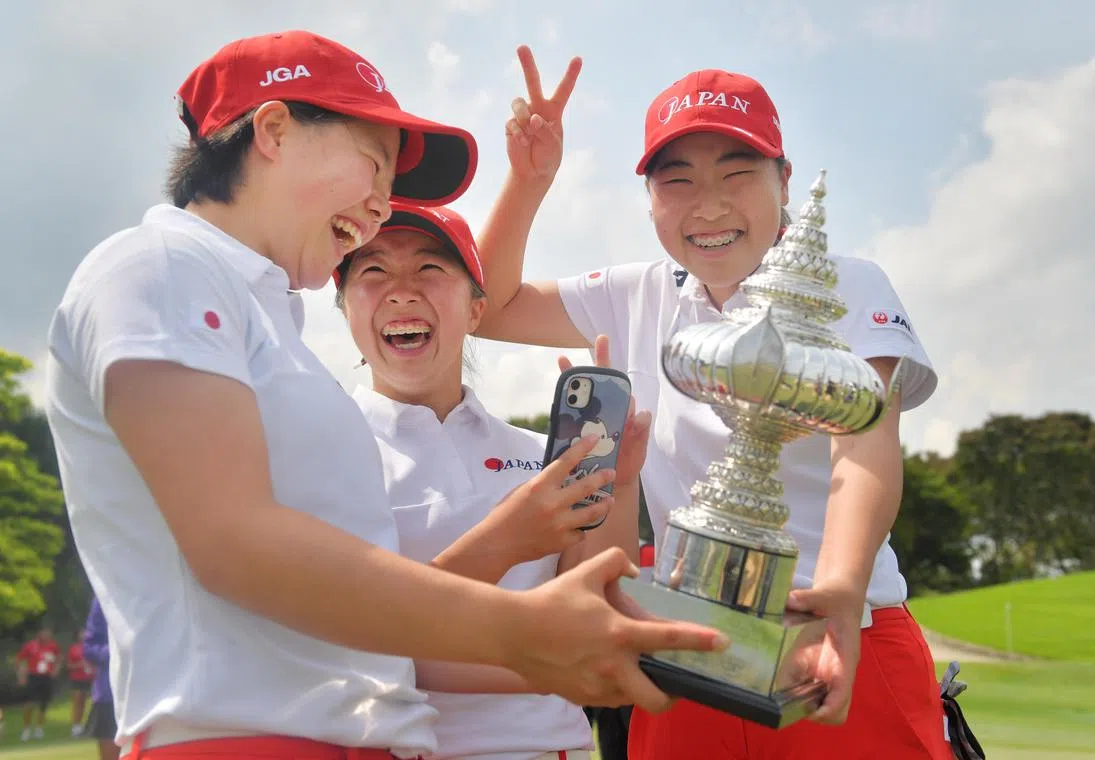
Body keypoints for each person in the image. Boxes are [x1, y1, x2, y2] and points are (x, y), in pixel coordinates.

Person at [43, 29, 727, 760]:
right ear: (272, 130)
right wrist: (520, 629)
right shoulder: (159, 263)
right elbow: (233, 539)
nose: (378, 205)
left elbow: (368, 638)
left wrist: (562, 647)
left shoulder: (268, 323)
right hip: (246, 740)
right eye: (373, 165)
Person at [473, 51, 952, 760]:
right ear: (651, 199)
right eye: (678, 181)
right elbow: (490, 307)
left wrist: (844, 592)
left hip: (837, 633)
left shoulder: (848, 284)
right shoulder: (638, 292)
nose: (710, 206)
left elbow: (867, 443)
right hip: (686, 647)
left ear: (784, 181)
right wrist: (529, 179)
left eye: (737, 175)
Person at [334, 199, 652, 760]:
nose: (402, 291)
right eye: (373, 270)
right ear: (342, 307)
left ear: (478, 309)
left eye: (430, 269)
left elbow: (600, 603)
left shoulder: (536, 454)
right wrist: (509, 545)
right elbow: (348, 643)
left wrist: (618, 484)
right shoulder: (320, 454)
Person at [83, 598, 118, 760]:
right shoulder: (104, 597)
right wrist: (119, 652)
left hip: (155, 695)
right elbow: (89, 648)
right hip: (109, 695)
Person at [15, 625, 60, 742]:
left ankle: (39, 728)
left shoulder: (53, 646)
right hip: (33, 676)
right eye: (45, 632)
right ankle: (26, 728)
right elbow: (19, 660)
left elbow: (58, 658)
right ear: (39, 633)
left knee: (43, 704)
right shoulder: (30, 646)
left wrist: (55, 669)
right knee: (29, 704)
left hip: (46, 677)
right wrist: (22, 674)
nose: (47, 635)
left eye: (49, 633)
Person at [67, 627, 95, 737]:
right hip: (77, 678)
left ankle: (89, 726)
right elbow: (69, 665)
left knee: (92, 703)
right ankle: (76, 727)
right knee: (78, 702)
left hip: (91, 678)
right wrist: (80, 665)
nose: (84, 635)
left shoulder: (93, 647)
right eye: (81, 633)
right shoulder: (73, 648)